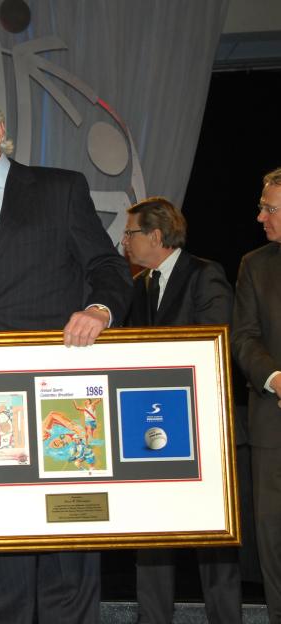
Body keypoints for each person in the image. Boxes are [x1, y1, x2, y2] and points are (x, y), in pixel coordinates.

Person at [0, 82, 131, 623]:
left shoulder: (59, 188)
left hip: (60, 398)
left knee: (68, 557)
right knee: (0, 565)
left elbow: (108, 268)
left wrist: (100, 311)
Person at [121, 196, 240, 623]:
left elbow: (217, 343)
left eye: (131, 232)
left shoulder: (205, 275)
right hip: (148, 430)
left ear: (156, 236)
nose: (124, 240)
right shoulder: (137, 287)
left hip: (201, 427)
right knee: (151, 534)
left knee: (214, 540)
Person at [233, 167, 281, 624]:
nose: (260, 215)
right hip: (273, 428)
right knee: (273, 539)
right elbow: (243, 338)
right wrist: (276, 378)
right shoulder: (255, 264)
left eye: (269, 207)